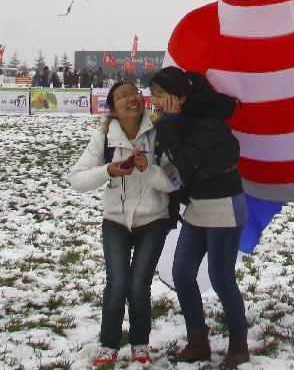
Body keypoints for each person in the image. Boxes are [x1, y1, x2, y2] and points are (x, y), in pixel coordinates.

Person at [70, 81, 179, 367]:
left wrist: (149, 169)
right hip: (115, 222)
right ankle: (108, 344)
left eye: (134, 93)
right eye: (122, 96)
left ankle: (140, 344)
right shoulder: (104, 137)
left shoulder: (159, 136)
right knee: (117, 284)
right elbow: (77, 179)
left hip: (152, 221)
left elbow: (175, 181)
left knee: (139, 286)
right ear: (114, 108)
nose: (131, 98)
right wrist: (108, 170)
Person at [150, 68, 249, 368]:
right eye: (152, 93)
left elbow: (185, 164)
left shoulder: (205, 122)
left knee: (221, 278)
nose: (153, 100)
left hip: (223, 206)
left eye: (159, 94)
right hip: (196, 207)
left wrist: (167, 125)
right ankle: (198, 340)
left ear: (180, 97)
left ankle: (239, 344)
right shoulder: (177, 120)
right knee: (182, 273)